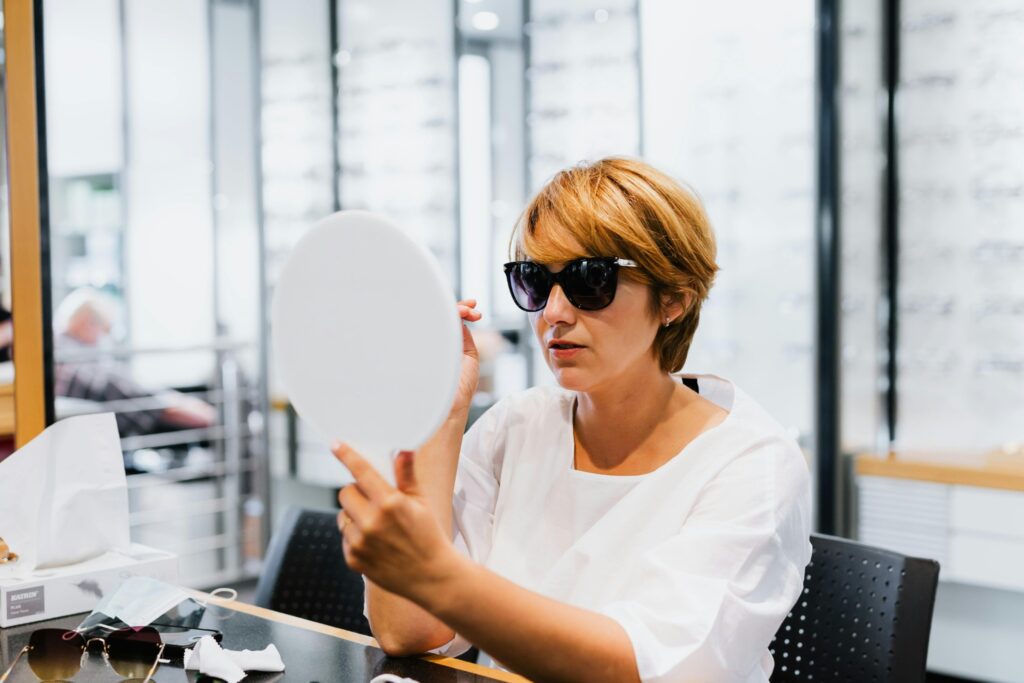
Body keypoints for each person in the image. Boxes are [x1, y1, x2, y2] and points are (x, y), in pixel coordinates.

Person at [331, 158, 812, 682]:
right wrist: (445, 417)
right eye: (535, 280)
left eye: (590, 280)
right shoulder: (517, 428)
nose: (554, 313)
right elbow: (408, 632)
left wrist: (441, 578)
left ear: (674, 297)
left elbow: (649, 667)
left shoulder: (750, 464)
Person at [53, 288, 218, 437]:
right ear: (87, 324)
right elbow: (141, 398)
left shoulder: (62, 347)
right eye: (105, 330)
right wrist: (210, 415)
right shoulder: (78, 364)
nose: (103, 339)